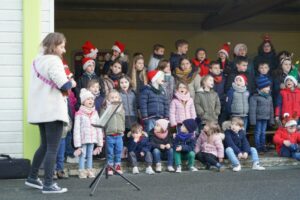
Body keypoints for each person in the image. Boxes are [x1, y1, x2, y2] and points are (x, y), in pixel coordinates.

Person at [26, 32, 76, 193]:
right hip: (52, 110)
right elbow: (63, 84)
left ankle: (33, 178)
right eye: (61, 46)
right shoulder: (54, 61)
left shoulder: (37, 61)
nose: (64, 50)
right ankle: (48, 184)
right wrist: (71, 82)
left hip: (40, 111)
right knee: (52, 148)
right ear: (54, 46)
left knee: (45, 146)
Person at [73, 89, 103, 179]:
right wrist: (77, 145)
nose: (91, 101)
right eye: (88, 99)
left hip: (92, 138)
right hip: (83, 139)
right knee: (83, 155)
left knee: (90, 155)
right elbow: (76, 129)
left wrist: (100, 143)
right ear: (83, 102)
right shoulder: (79, 113)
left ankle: (89, 170)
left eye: (92, 99)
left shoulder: (95, 113)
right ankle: (82, 171)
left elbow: (98, 128)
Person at [100, 90, 125, 175]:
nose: (114, 99)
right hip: (109, 134)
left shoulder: (121, 109)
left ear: (119, 98)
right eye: (112, 97)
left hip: (119, 135)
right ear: (108, 99)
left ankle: (117, 165)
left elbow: (123, 120)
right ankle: (109, 166)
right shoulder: (104, 109)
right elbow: (102, 121)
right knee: (110, 152)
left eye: (116, 97)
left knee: (118, 151)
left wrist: (123, 129)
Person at [249, 76, 274, 152]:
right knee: (258, 132)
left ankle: (263, 146)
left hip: (266, 118)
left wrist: (271, 120)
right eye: (267, 87)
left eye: (269, 87)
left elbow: (271, 109)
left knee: (263, 133)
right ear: (261, 87)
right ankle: (258, 147)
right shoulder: (255, 97)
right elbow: (252, 109)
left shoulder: (269, 97)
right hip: (258, 118)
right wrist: (252, 121)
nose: (268, 88)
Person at [140, 70, 169, 134]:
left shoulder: (163, 92)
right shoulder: (146, 90)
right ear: (155, 78)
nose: (163, 79)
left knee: (159, 135)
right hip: (150, 118)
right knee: (150, 134)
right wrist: (145, 117)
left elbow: (166, 105)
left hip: (161, 119)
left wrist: (166, 117)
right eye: (161, 77)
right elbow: (143, 105)